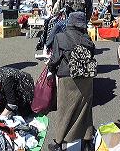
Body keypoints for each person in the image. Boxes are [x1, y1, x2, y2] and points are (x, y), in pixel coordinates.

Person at [48, 12, 96, 151]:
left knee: (64, 109)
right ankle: (87, 140)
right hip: (86, 77)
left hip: (67, 77)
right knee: (85, 109)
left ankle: (58, 142)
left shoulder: (60, 37)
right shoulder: (86, 38)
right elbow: (92, 53)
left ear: (69, 22)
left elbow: (55, 58)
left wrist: (50, 69)